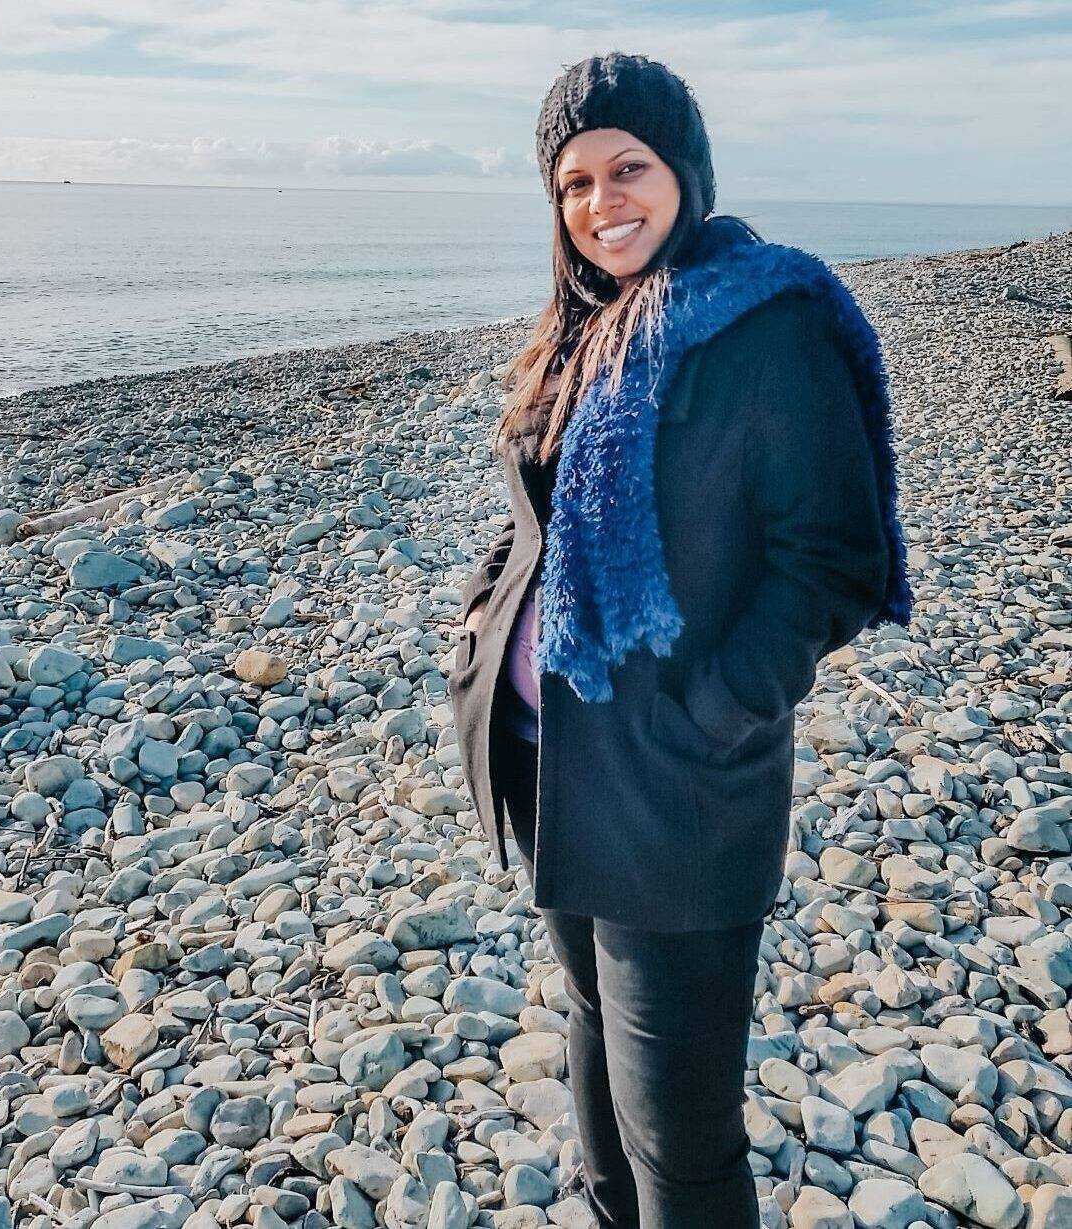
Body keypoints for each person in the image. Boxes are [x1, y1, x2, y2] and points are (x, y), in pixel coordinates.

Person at [448, 52, 913, 1229]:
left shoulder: (766, 324)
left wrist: (715, 708)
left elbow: (837, 559)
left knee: (681, 1143)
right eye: (573, 183)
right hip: (552, 768)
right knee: (597, 1085)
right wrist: (478, 629)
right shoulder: (581, 329)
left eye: (629, 169)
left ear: (684, 172)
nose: (602, 203)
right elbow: (536, 521)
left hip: (676, 794)